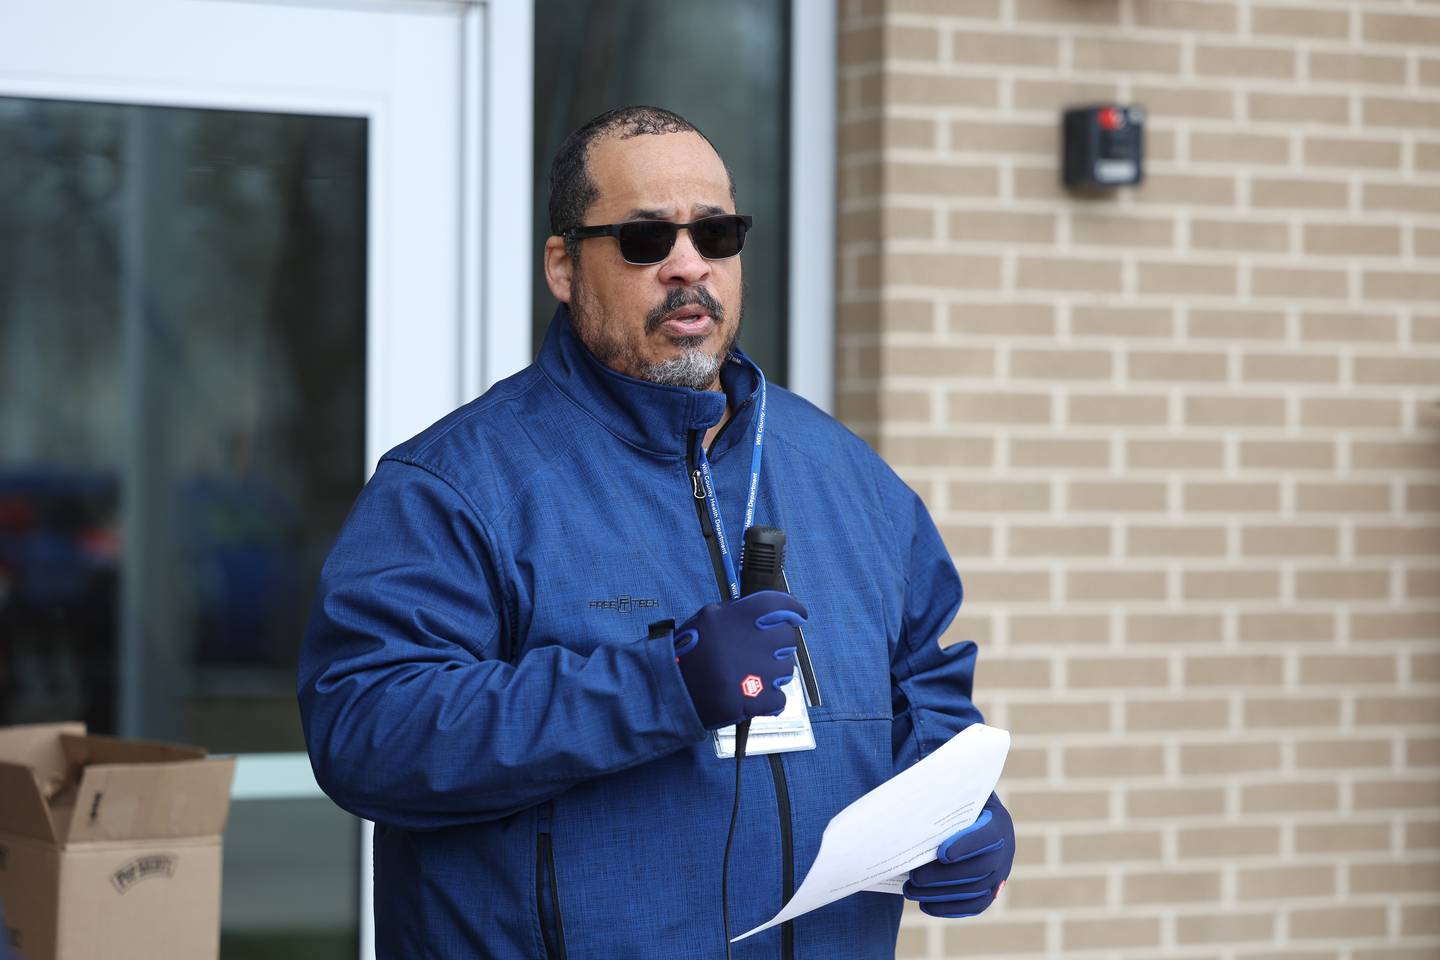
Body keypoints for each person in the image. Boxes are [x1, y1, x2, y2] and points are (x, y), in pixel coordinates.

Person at [298, 105, 1013, 959]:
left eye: (716, 234)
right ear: (564, 266)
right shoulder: (457, 485)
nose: (688, 266)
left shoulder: (847, 476)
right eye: (645, 240)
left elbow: (926, 685)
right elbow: (370, 733)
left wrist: (961, 818)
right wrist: (662, 684)